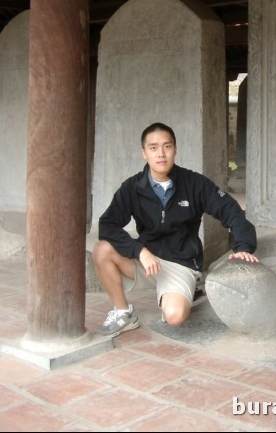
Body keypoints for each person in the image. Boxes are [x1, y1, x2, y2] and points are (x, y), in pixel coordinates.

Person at [93, 122, 259, 337]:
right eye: (153, 148)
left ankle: (187, 290)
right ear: (144, 153)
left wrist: (243, 247)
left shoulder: (194, 184)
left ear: (175, 149)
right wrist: (139, 251)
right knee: (102, 250)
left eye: (167, 146)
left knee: (175, 317)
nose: (161, 154)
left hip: (180, 264)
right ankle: (123, 313)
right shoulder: (132, 187)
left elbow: (230, 210)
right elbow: (107, 225)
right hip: (148, 261)